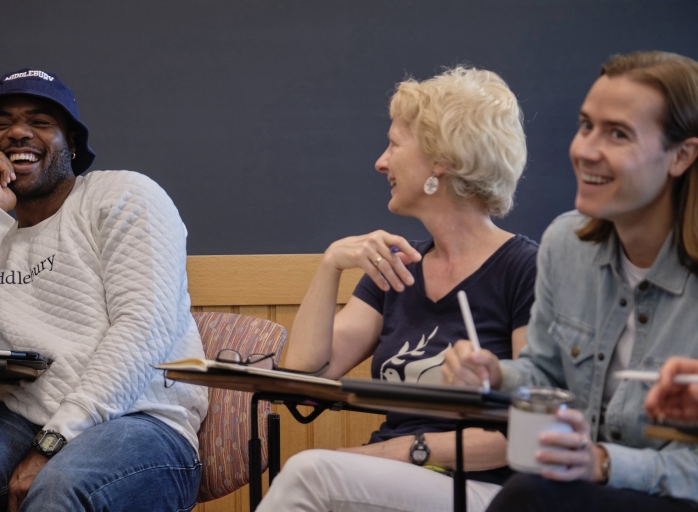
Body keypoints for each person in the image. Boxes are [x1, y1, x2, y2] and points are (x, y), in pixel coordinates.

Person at [0, 69, 208, 512]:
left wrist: (54, 442)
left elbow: (142, 329)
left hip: (141, 419)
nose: (17, 131)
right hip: (20, 420)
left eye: (39, 121)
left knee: (59, 488)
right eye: (1, 123)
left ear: (71, 142)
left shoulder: (124, 195)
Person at [256, 66, 537, 512]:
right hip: (398, 480)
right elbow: (306, 374)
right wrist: (330, 264)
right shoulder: (399, 267)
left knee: (311, 473)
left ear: (441, 160)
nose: (381, 162)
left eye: (394, 144)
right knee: (312, 474)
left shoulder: (526, 270)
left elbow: (530, 431)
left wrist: (399, 451)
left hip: (489, 488)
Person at [444, 51, 698, 511]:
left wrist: (604, 462)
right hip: (584, 491)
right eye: (586, 126)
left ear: (681, 156)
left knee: (527, 495)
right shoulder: (566, 243)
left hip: (673, 493)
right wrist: (495, 374)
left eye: (617, 133)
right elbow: (545, 374)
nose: (585, 149)